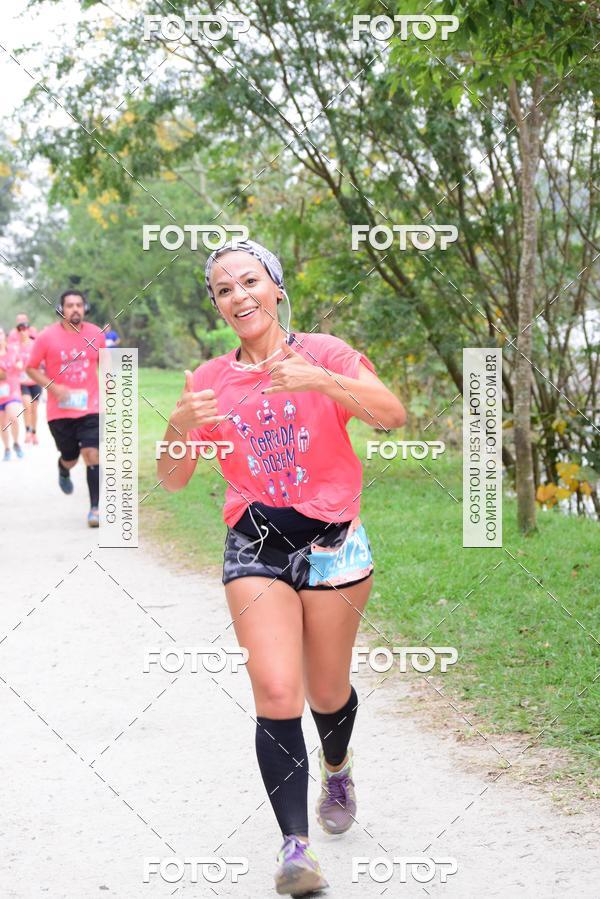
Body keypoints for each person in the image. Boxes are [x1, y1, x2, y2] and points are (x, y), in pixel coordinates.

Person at [156, 239, 406, 896]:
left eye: (249, 281)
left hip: (333, 544)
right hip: (255, 544)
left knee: (327, 690)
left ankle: (337, 764)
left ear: (276, 287)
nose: (238, 296)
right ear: (217, 305)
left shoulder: (325, 351)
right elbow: (173, 478)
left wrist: (321, 381)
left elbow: (391, 414)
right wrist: (179, 422)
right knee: (275, 688)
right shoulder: (208, 379)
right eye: (223, 289)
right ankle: (296, 848)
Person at [26, 290, 106, 527]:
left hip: (91, 408)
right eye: (70, 305)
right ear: (61, 310)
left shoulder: (96, 334)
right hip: (59, 412)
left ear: (85, 308)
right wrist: (53, 387)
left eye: (79, 305)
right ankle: (63, 468)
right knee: (71, 457)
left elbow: (105, 365)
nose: (75, 309)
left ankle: (94, 509)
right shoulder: (46, 337)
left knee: (92, 454)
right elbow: (31, 368)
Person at [8, 313, 41, 444]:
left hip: (35, 380)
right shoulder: (15, 347)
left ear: (28, 330)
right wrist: (16, 364)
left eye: (25, 329)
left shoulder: (35, 344)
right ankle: (27, 431)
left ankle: (34, 432)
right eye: (20, 329)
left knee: (34, 408)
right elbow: (11, 360)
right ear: (17, 331)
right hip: (23, 382)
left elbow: (41, 359)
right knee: (27, 406)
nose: (23, 332)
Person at [0, 326, 25, 461]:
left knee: (13, 417)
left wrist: (19, 364)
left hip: (12, 391)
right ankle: (7, 448)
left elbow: (20, 362)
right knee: (2, 424)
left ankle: (16, 443)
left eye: (0, 334)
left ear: (4, 336)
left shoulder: (12, 350)